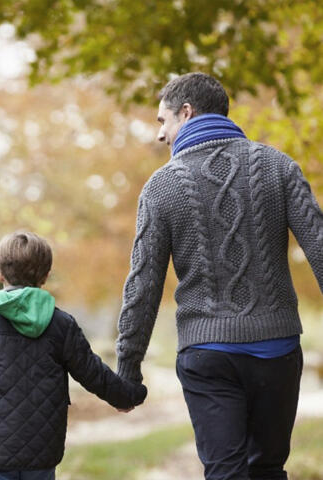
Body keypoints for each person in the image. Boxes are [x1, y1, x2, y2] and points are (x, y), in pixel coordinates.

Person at [115, 72, 323, 480]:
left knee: (224, 472)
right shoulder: (279, 166)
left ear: (187, 113)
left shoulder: (161, 186)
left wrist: (127, 369)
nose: (161, 135)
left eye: (163, 121)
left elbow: (143, 285)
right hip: (277, 350)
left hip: (207, 352)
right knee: (267, 469)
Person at [0, 231, 147, 480]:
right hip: (42, 449)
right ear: (45, 276)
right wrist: (125, 396)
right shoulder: (61, 325)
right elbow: (92, 372)